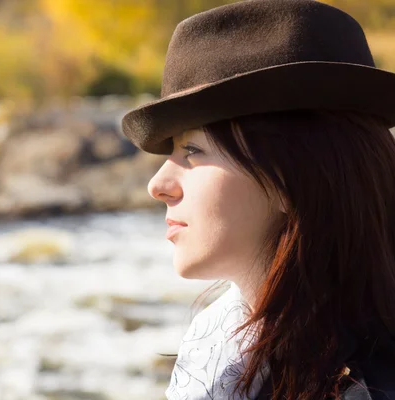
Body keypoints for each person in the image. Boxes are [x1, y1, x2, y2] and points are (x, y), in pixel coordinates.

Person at [120, 0, 395, 399]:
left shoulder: (365, 387)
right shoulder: (218, 346)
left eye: (193, 150)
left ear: (292, 177)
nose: (159, 184)